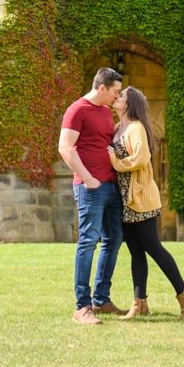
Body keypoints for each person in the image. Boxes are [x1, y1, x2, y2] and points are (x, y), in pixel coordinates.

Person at [110, 86, 184, 319]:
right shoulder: (119, 128)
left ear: (129, 104)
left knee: (153, 247)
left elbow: (139, 160)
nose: (116, 98)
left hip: (142, 198)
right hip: (126, 199)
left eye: (121, 96)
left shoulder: (137, 128)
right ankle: (140, 304)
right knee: (136, 251)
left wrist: (113, 159)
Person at [58, 66, 126, 325]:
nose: (117, 97)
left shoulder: (106, 113)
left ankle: (101, 299)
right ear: (101, 88)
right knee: (88, 241)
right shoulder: (77, 109)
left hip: (110, 186)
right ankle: (82, 307)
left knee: (114, 239)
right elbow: (65, 147)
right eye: (115, 92)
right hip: (89, 188)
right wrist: (87, 178)